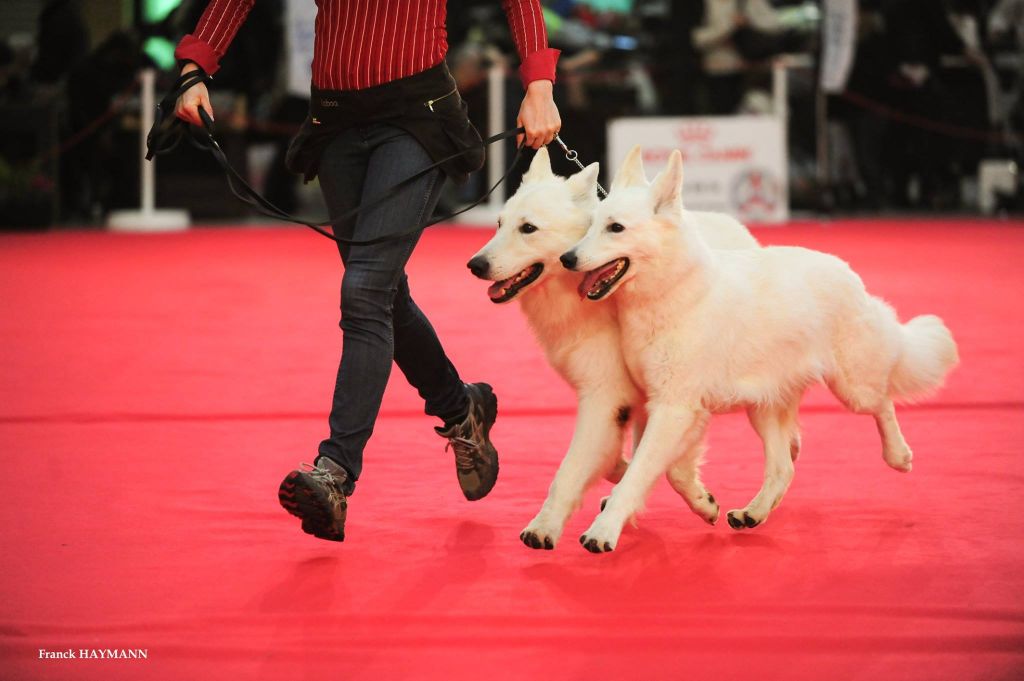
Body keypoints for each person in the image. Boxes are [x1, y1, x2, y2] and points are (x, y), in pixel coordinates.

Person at [173, 1, 561, 542]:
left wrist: (539, 84)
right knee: (382, 294)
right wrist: (196, 67)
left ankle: (334, 472)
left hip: (416, 119)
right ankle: (460, 407)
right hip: (335, 122)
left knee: (364, 290)